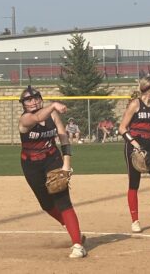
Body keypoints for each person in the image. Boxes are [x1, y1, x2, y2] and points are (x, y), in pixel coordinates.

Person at [18, 85, 87, 258]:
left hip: (52, 159)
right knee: (46, 204)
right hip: (30, 165)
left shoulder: (52, 114)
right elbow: (37, 117)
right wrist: (54, 104)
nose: (32, 101)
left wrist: (66, 163)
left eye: (35, 98)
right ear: (24, 104)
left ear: (40, 99)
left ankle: (78, 245)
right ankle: (74, 231)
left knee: (63, 200)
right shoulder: (25, 119)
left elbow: (63, 136)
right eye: (28, 100)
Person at [119, 77, 150, 233]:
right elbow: (122, 128)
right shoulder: (135, 104)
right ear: (149, 89)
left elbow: (149, 129)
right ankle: (135, 221)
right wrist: (134, 144)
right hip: (134, 146)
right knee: (134, 184)